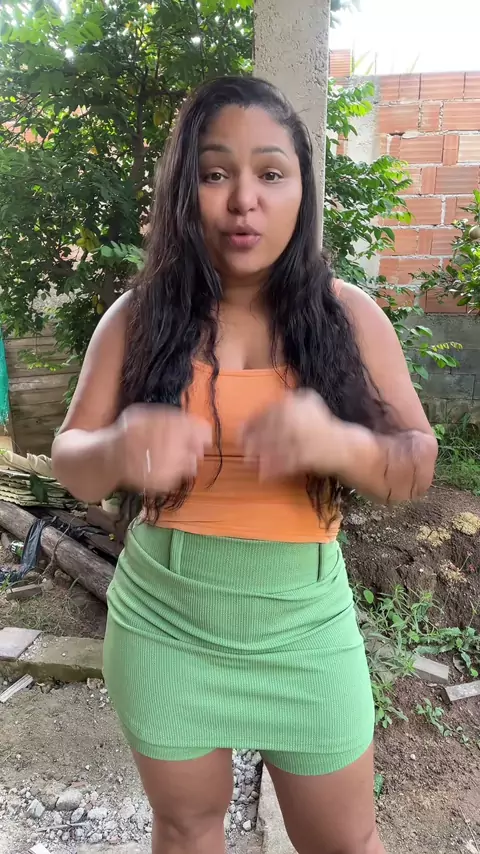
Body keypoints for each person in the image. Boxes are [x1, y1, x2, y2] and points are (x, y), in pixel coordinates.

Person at [52, 75, 437, 854]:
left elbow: (416, 464)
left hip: (305, 628)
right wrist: (120, 446)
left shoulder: (349, 316)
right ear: (184, 191)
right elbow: (72, 461)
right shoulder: (137, 319)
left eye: (270, 173)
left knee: (346, 841)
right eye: (216, 173)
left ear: (302, 191)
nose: (243, 201)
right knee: (187, 827)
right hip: (165, 624)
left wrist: (339, 445)